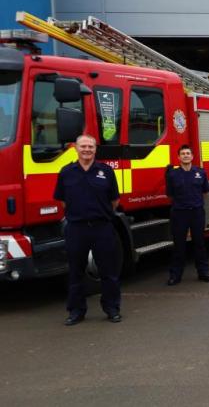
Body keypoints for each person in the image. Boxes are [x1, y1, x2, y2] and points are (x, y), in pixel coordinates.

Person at [53, 135, 122, 325]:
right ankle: (76, 311)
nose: (87, 150)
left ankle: (112, 308)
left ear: (95, 149)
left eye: (90, 147)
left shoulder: (106, 171)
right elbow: (62, 200)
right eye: (83, 146)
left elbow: (114, 200)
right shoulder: (66, 172)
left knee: (108, 271)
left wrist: (100, 213)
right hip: (76, 228)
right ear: (75, 148)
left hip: (102, 227)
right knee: (76, 271)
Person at [165, 145, 209, 286]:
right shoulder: (172, 174)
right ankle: (175, 275)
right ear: (178, 157)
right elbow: (170, 194)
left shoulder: (200, 172)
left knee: (199, 244)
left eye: (188, 153)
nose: (186, 155)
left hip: (197, 212)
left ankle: (203, 272)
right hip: (179, 213)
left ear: (192, 156)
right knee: (179, 245)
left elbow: (205, 192)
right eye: (183, 154)